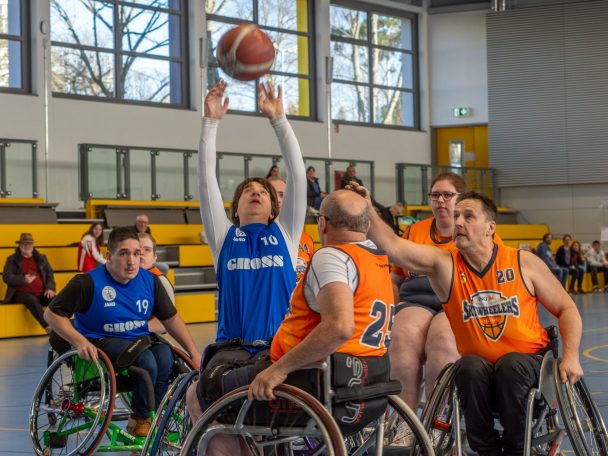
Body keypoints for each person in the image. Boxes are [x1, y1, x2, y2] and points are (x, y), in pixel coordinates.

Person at [347, 183, 583, 456]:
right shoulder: (446, 265)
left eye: (468, 216)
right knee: (468, 366)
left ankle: (517, 450)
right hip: (479, 371)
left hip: (528, 365)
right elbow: (393, 246)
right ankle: (487, 451)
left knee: (510, 364)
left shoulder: (523, 262)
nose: (458, 221)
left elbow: (567, 309)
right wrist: (369, 208)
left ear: (490, 228)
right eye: (457, 215)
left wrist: (571, 356)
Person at [187, 191, 394, 455]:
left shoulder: (333, 256)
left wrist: (279, 370)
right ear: (366, 224)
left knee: (199, 393)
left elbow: (339, 327)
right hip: (368, 384)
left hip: (320, 385)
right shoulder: (377, 258)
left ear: (323, 223)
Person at [44, 227, 201, 437]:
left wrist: (194, 353)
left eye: (136, 254)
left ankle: (154, 416)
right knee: (146, 361)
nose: (131, 261)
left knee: (165, 355)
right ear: (109, 256)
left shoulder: (150, 280)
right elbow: (51, 314)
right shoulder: (87, 283)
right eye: (124, 253)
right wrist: (80, 341)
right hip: (101, 341)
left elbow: (171, 319)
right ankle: (141, 419)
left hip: (137, 340)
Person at [196, 79, 306, 350]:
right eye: (247, 191)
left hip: (281, 348)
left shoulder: (286, 232)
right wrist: (210, 123)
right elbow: (206, 180)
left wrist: (279, 120)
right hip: (232, 350)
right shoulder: (223, 237)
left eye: (263, 192)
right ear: (235, 208)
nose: (255, 193)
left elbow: (298, 176)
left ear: (274, 209)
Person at [389, 173, 465, 413]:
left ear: (461, 199)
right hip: (416, 299)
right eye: (435, 195)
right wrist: (394, 308)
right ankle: (404, 423)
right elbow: (395, 278)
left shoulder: (478, 232)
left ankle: (437, 422)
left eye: (447, 195)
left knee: (443, 340)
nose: (440, 200)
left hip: (454, 301)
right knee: (401, 338)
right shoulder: (414, 231)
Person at [3, 233, 56, 331]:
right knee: (31, 300)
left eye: (29, 243)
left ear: (33, 245)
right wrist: (24, 279)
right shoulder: (12, 259)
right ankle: (48, 327)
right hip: (20, 294)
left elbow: (50, 275)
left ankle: (67, 326)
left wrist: (50, 288)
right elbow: (7, 277)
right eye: (24, 243)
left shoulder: (41, 258)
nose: (27, 246)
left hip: (41, 293)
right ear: (19, 245)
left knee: (57, 300)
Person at [268, 176, 314, 283]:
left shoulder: (305, 239)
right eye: (271, 195)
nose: (278, 200)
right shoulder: (251, 238)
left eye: (282, 195)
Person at [139, 232, 174, 334]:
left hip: (147, 335)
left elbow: (168, 323)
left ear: (154, 257)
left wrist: (134, 329)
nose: (141, 253)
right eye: (138, 249)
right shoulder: (122, 277)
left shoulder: (161, 281)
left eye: (147, 249)